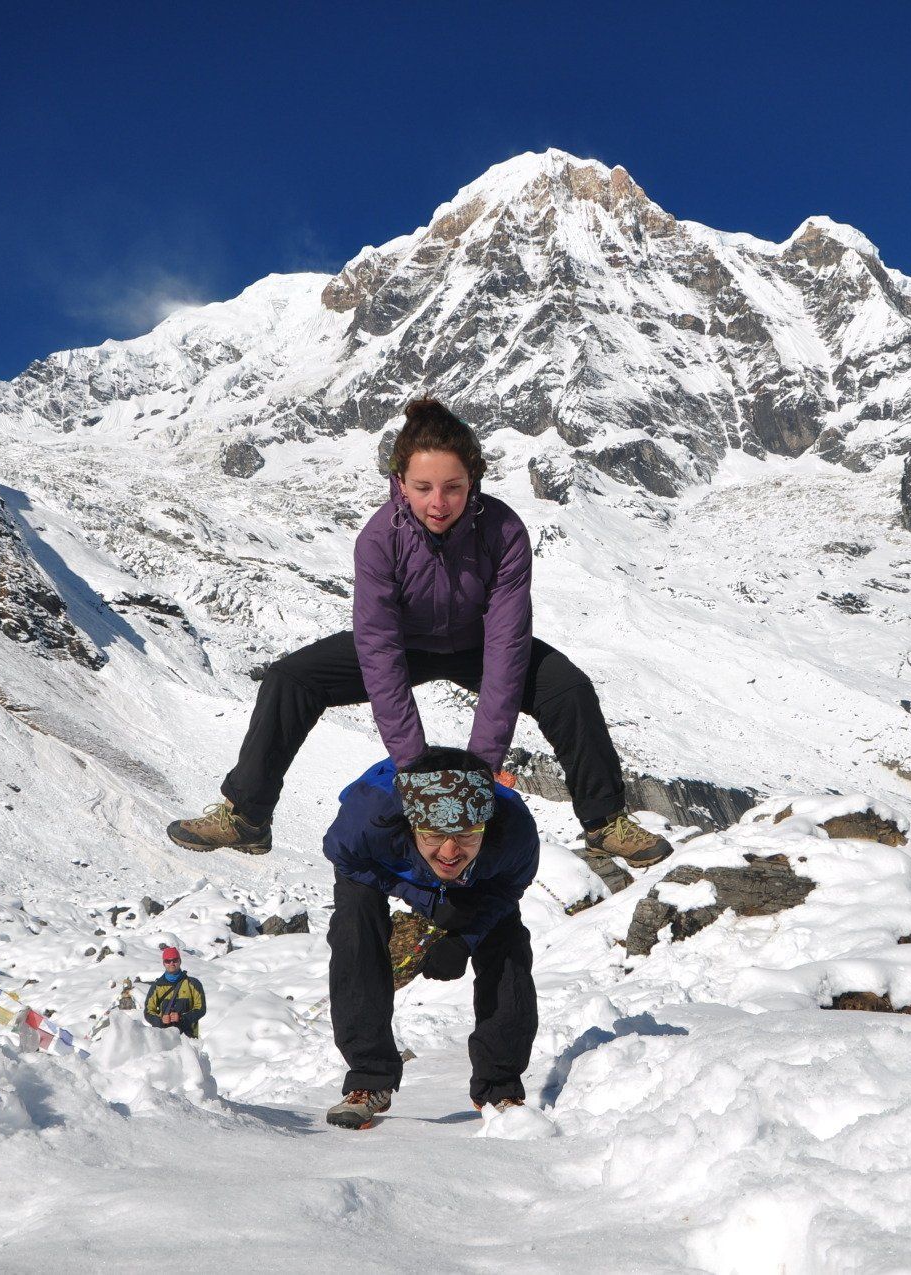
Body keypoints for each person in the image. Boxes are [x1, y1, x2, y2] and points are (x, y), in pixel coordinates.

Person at [166, 396, 671, 868]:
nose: (439, 502)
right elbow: (379, 650)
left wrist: (480, 770)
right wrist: (413, 768)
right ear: (400, 482)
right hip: (403, 646)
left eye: (453, 487)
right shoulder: (379, 540)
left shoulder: (504, 533)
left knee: (568, 689)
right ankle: (247, 816)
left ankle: (604, 822)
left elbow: (506, 646)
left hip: (477, 645)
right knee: (290, 680)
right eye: (423, 487)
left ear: (473, 481)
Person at [319, 746, 538, 1129]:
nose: (450, 851)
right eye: (435, 835)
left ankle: (500, 1086)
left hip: (478, 878)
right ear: (411, 825)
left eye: (466, 835)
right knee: (355, 932)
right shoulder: (368, 821)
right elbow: (345, 859)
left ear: (485, 826)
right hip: (380, 865)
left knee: (507, 945)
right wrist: (428, 900)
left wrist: (464, 938)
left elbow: (507, 889)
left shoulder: (514, 831)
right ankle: (369, 1079)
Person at [142, 945, 206, 1038]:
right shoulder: (157, 986)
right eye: (168, 961)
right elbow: (148, 1012)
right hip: (164, 1038)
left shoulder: (193, 984)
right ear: (164, 963)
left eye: (175, 960)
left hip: (188, 1038)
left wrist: (182, 1018)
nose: (171, 963)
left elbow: (201, 1009)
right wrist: (160, 1020)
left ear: (180, 961)